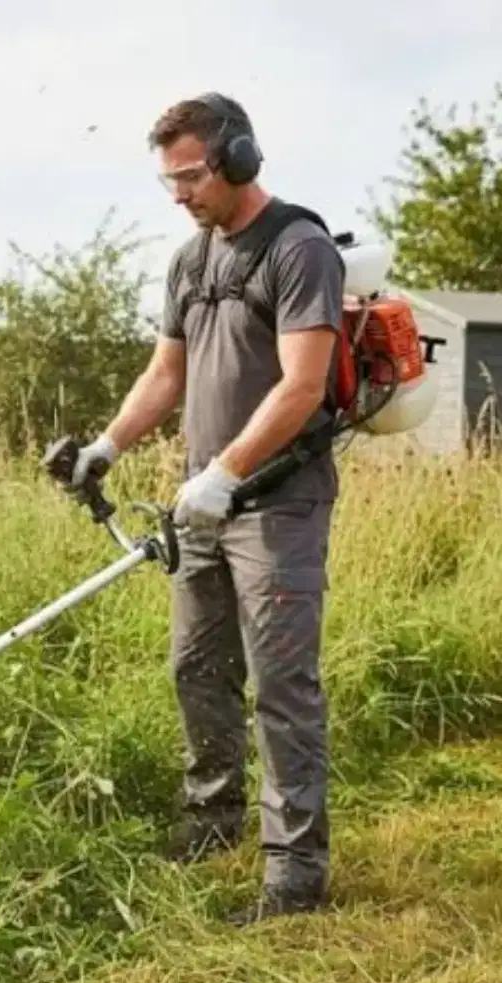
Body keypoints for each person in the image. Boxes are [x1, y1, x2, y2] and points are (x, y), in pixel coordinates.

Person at [70, 91, 345, 926]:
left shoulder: (299, 250)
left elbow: (302, 386)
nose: (180, 193)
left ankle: (295, 874)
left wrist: (225, 472)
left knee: (282, 687)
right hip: (202, 508)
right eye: (168, 180)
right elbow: (166, 375)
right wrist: (106, 447)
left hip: (276, 504)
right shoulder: (191, 261)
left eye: (190, 175)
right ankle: (213, 821)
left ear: (239, 156)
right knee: (197, 669)